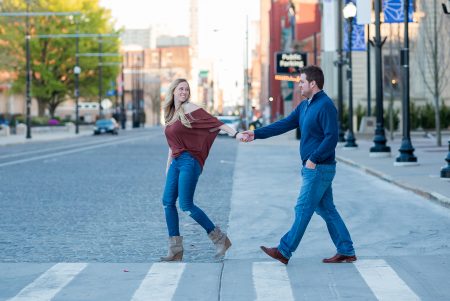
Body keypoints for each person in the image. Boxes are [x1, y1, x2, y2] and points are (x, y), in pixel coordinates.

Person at [241, 66, 356, 265]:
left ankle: (284, 250)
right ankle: (346, 250)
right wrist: (256, 133)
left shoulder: (326, 105)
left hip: (319, 167)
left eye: (301, 82)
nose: (299, 86)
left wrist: (314, 159)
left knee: (302, 208)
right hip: (315, 167)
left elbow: (332, 138)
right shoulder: (305, 106)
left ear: (313, 83)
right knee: (327, 209)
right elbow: (284, 124)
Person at [160, 78, 243, 261]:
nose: (184, 92)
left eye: (186, 89)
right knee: (167, 201)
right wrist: (168, 168)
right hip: (176, 162)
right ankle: (175, 250)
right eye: (180, 89)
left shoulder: (190, 109)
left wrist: (235, 134)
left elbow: (216, 122)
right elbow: (171, 145)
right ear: (173, 91)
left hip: (189, 161)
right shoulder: (170, 114)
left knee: (186, 205)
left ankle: (220, 239)